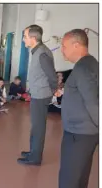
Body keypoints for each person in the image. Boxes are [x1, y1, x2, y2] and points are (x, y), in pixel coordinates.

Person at [58, 29, 99, 188]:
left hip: (79, 134)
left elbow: (92, 102)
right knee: (80, 176)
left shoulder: (83, 68)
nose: (62, 50)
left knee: (69, 179)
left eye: (64, 46)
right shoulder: (91, 63)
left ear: (76, 45)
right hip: (85, 132)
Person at [17, 25, 57, 165]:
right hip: (38, 93)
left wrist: (54, 90)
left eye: (25, 37)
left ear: (33, 38)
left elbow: (52, 75)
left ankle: (35, 158)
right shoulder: (37, 51)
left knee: (38, 127)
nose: (23, 40)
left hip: (41, 96)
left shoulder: (42, 53)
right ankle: (33, 151)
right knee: (35, 126)